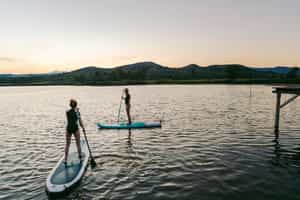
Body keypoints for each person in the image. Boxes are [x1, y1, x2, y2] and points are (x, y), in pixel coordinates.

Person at [65, 99, 85, 165]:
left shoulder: (67, 112)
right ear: (76, 104)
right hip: (75, 128)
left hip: (68, 129)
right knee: (78, 143)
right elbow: (80, 121)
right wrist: (83, 128)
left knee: (67, 144)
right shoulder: (77, 112)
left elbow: (71, 116)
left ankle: (65, 159)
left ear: (70, 105)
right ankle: (80, 157)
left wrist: (76, 111)